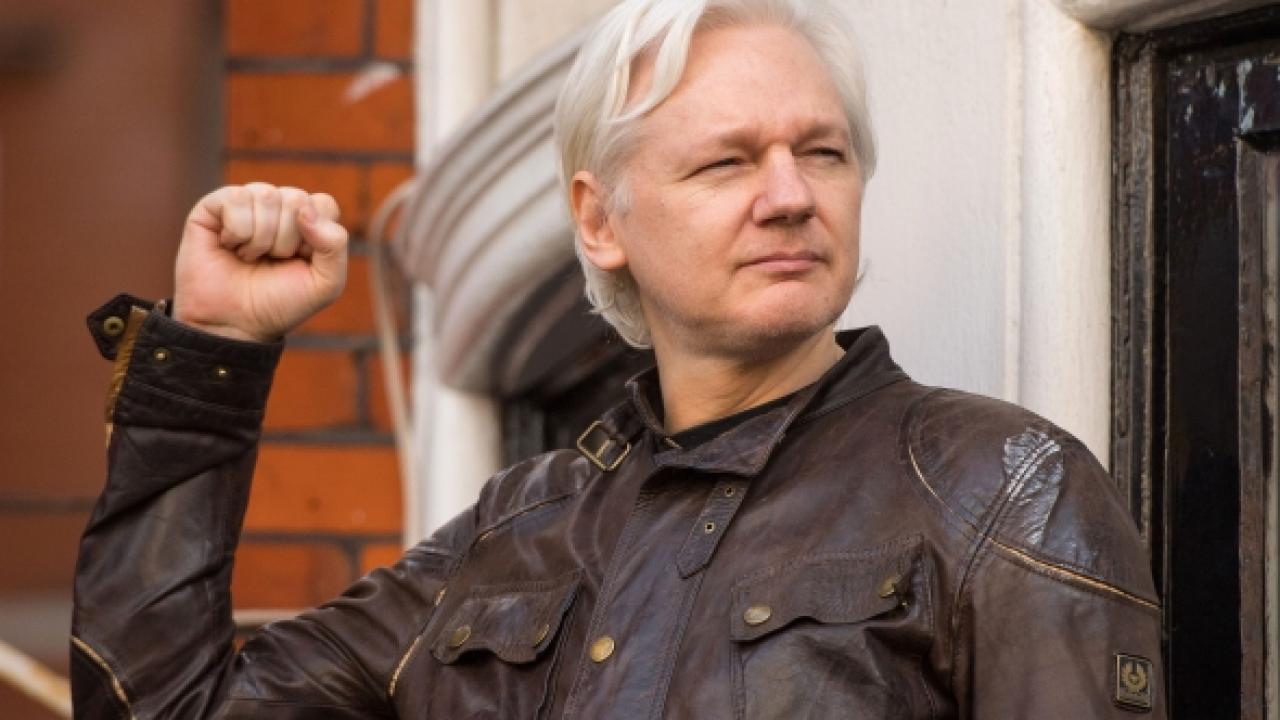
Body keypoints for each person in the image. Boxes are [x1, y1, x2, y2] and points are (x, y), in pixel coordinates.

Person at [72, 0, 1166, 717]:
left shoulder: (1004, 489)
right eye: (726, 162)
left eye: (822, 152)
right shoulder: (514, 536)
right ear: (601, 221)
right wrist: (212, 351)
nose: (790, 195)